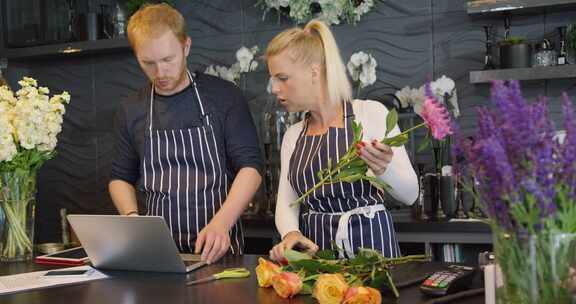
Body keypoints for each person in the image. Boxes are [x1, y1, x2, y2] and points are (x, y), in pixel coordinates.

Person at [109, 4, 263, 264]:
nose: (160, 73)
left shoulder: (224, 96)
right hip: (158, 255)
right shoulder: (131, 108)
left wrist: (221, 223)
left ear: (186, 47)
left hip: (219, 252)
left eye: (168, 60)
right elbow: (120, 177)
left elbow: (251, 168)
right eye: (148, 63)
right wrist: (132, 220)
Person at [266, 20, 418, 261]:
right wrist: (291, 232)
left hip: (374, 257)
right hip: (319, 259)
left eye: (282, 77)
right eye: (273, 78)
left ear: (314, 72)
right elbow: (287, 201)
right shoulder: (293, 135)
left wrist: (385, 169)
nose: (274, 88)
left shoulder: (370, 114)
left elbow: (411, 194)